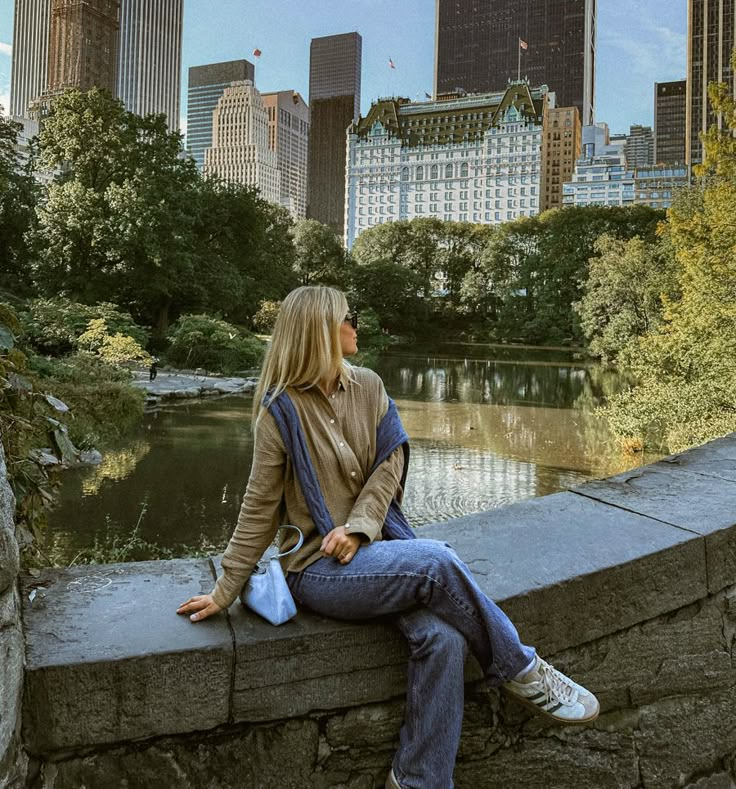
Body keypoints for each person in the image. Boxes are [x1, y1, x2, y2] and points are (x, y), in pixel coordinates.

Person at [177, 286, 599, 789]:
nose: (356, 324)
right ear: (320, 330)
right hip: (318, 571)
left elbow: (389, 461)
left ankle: (416, 779)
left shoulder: (370, 386)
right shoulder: (280, 412)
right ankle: (521, 669)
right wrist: (226, 589)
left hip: (378, 551)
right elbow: (258, 507)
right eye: (347, 316)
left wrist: (360, 527)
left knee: (442, 639)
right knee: (436, 560)